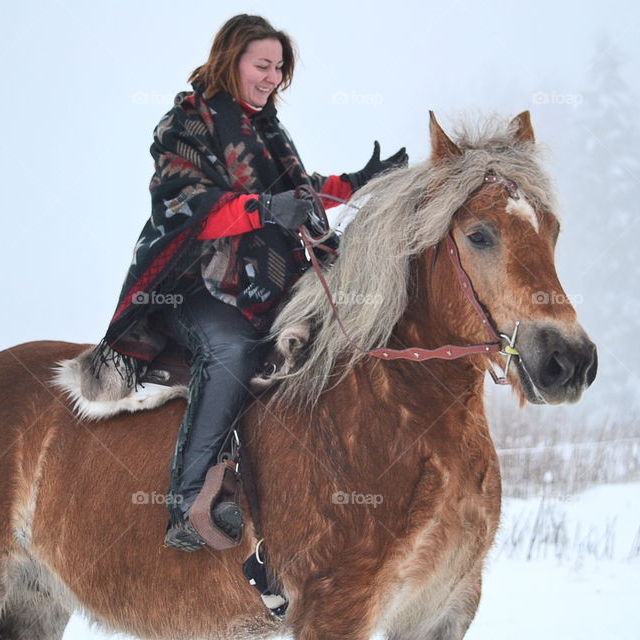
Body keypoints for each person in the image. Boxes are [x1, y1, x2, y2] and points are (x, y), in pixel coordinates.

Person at [91, 14, 407, 552]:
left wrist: (358, 183)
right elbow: (187, 207)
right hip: (189, 283)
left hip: (259, 282)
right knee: (231, 348)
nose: (272, 78)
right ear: (229, 59)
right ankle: (189, 504)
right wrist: (265, 209)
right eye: (263, 65)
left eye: (279, 69)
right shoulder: (183, 125)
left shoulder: (265, 129)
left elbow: (298, 193)